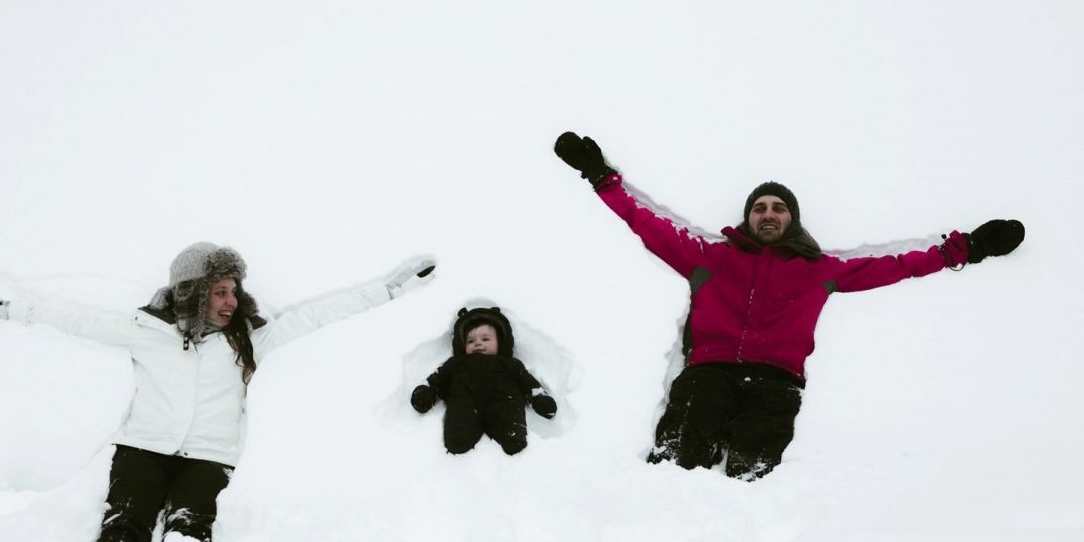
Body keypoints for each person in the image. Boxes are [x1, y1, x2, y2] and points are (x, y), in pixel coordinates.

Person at [554, 131, 1025, 480]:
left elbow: (895, 265)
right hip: (709, 372)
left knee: (753, 472)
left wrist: (965, 248)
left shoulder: (819, 270)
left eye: (778, 208)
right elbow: (645, 222)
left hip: (775, 381)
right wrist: (600, 177)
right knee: (680, 457)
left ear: (791, 220)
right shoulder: (710, 257)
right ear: (748, 218)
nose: (768, 214)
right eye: (760, 208)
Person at [0, 243, 436, 542]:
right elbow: (76, 320)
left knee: (188, 539)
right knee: (122, 530)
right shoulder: (146, 332)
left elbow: (318, 316)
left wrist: (392, 288)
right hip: (143, 448)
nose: (231, 301)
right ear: (192, 291)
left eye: (234, 291)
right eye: (220, 291)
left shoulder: (248, 339)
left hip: (209, 456)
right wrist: (6, 310)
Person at [410, 306, 557, 455]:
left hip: (503, 401)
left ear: (500, 342)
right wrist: (427, 392)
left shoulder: (510, 364)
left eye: (486, 339)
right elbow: (438, 379)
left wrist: (539, 398)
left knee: (513, 439)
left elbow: (527, 382)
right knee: (457, 440)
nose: (477, 343)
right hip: (465, 402)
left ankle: (511, 439)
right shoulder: (455, 363)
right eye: (470, 341)